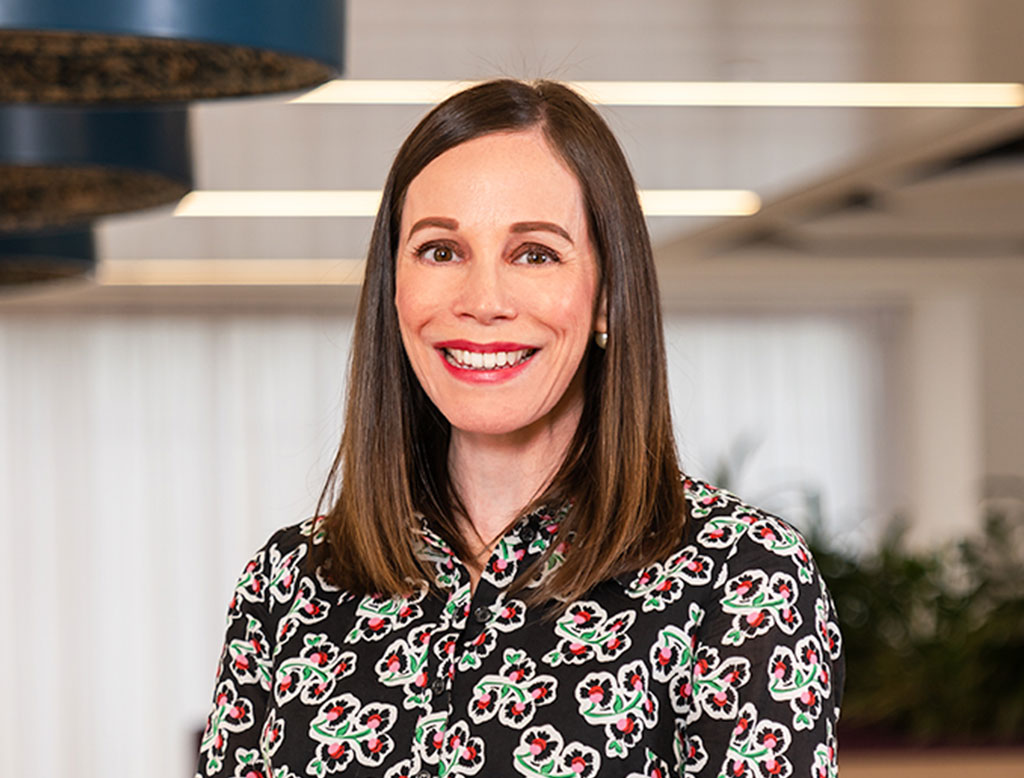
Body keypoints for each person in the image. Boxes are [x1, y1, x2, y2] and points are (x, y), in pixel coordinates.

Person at [195, 79, 843, 778]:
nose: (482, 301)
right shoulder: (289, 586)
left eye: (535, 253)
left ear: (608, 297)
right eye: (441, 251)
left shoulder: (739, 583)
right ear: (392, 286)